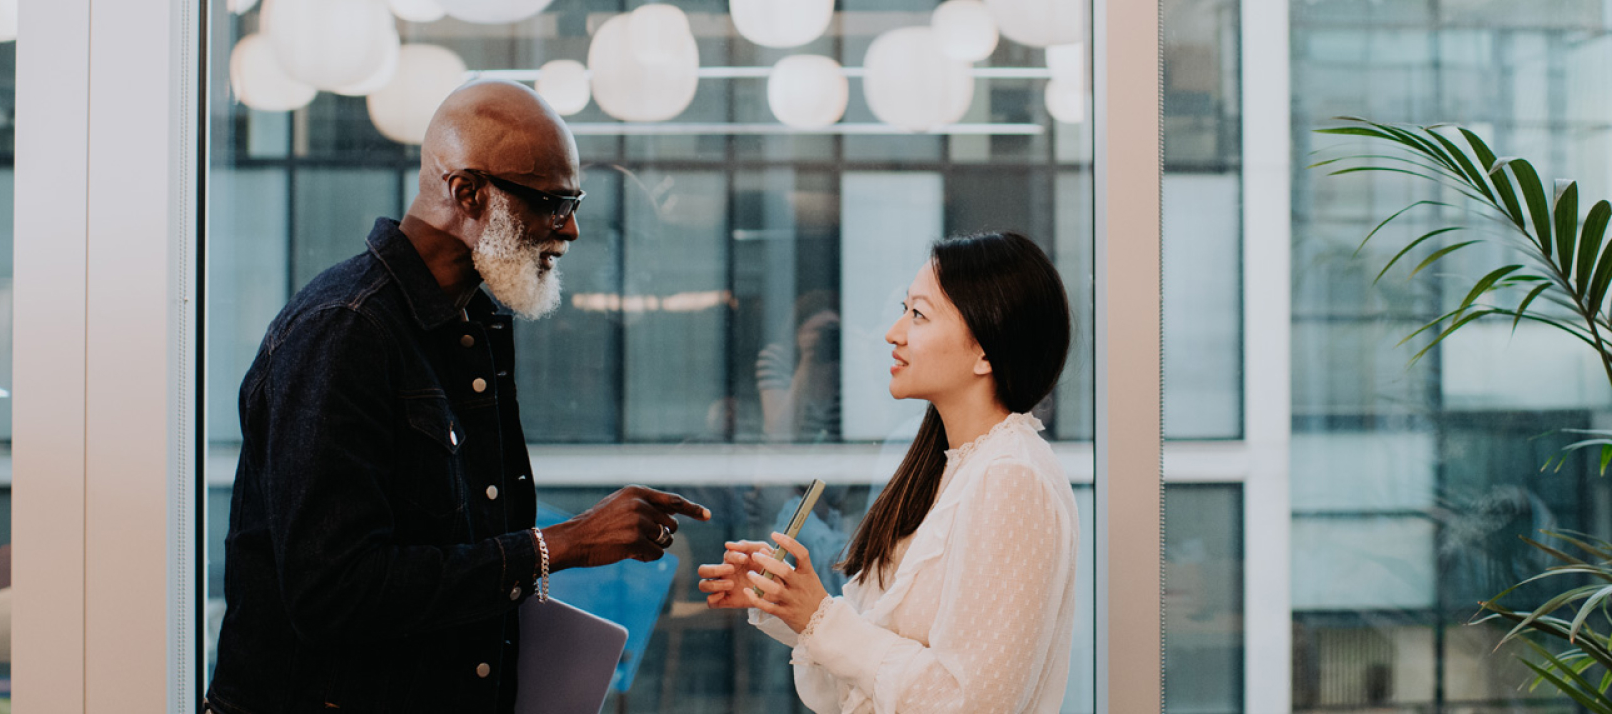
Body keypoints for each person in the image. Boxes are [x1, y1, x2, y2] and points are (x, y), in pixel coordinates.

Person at [205, 81, 710, 714]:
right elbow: (334, 594)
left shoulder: (476, 323)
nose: (572, 229)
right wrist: (561, 545)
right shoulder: (345, 330)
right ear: (467, 194)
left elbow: (462, 559)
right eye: (553, 201)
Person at [697, 232, 1079, 714]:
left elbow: (976, 704)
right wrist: (784, 602)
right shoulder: (945, 469)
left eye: (918, 314)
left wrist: (820, 618)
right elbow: (871, 665)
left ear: (985, 351)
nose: (893, 333)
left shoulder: (1011, 479)